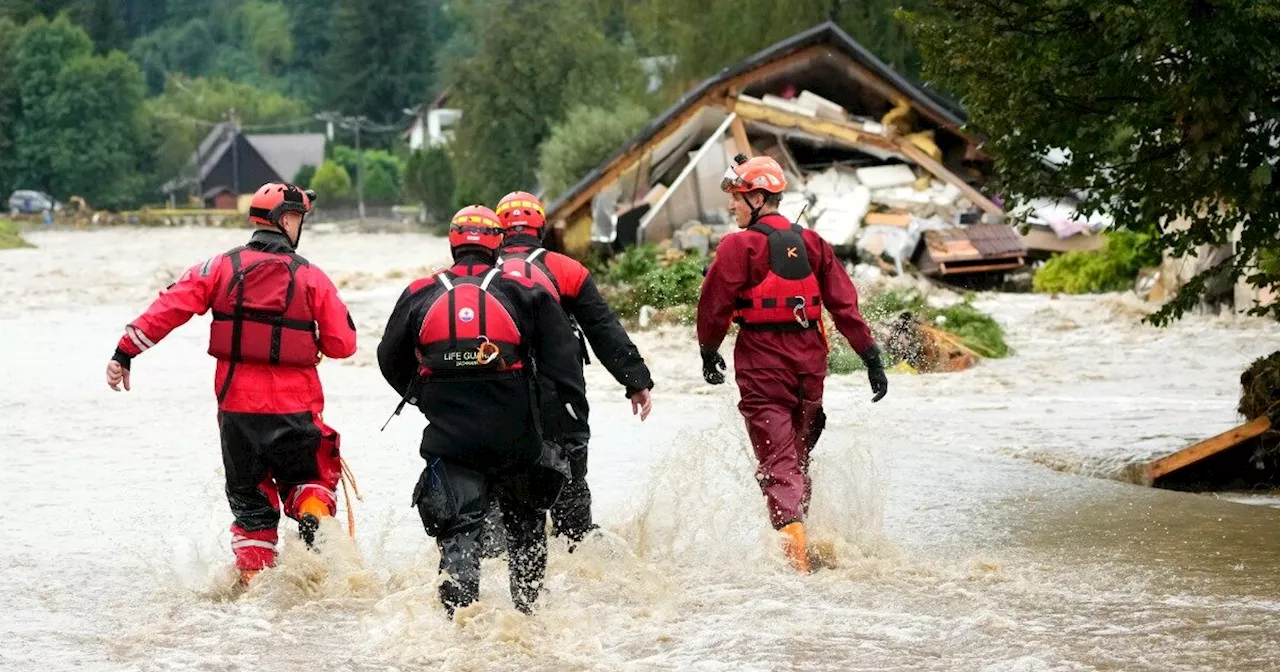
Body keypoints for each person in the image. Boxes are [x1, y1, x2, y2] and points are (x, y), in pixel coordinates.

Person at [104, 182, 358, 586]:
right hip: (296, 410)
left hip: (237, 415)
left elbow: (169, 307)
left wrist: (125, 352)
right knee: (309, 483)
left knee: (252, 510)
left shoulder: (218, 268)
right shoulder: (311, 276)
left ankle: (252, 592)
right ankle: (310, 512)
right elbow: (344, 344)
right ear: (288, 220)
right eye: (299, 218)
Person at [376, 205, 590, 617]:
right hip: (518, 436)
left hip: (450, 436)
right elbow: (562, 366)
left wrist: (424, 397)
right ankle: (528, 616)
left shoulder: (421, 291)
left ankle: (462, 626)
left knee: (459, 534)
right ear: (497, 243)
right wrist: (566, 426)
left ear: (453, 243)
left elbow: (389, 358)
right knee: (526, 530)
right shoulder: (524, 291)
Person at [695, 155, 888, 574]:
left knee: (778, 461)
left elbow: (714, 305)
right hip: (810, 365)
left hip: (762, 362)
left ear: (760, 197)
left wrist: (708, 351)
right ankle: (804, 537)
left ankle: (794, 563)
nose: (733, 207)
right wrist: (871, 357)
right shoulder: (815, 243)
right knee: (797, 456)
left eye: (738, 198)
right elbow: (845, 305)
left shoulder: (738, 246)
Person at [493, 191, 654, 544]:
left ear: (500, 230)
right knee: (569, 485)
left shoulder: (481, 274)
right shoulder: (567, 270)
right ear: (541, 228)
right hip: (558, 395)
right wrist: (636, 381)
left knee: (497, 486)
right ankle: (575, 545)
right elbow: (603, 329)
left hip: (497, 396)